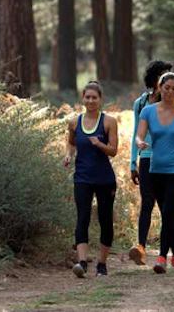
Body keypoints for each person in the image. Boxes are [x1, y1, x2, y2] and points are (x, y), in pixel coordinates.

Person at [136, 72, 174, 274]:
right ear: (159, 88)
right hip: (156, 169)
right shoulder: (148, 111)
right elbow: (139, 135)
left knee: (169, 209)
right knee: (168, 212)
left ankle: (162, 258)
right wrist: (140, 143)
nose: (170, 91)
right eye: (166, 87)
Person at [129, 61, 174, 266]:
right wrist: (132, 163)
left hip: (170, 162)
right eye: (163, 78)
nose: (167, 82)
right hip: (146, 159)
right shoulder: (142, 103)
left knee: (169, 207)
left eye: (171, 79)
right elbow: (136, 133)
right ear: (155, 80)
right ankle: (140, 248)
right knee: (147, 202)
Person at [63, 81, 118, 278]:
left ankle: (102, 264)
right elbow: (70, 143)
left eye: (95, 97)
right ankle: (82, 263)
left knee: (105, 220)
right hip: (82, 178)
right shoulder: (74, 122)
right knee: (82, 218)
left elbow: (114, 151)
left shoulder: (109, 121)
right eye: (88, 97)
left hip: (105, 179)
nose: (91, 100)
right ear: (83, 98)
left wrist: (99, 144)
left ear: (100, 99)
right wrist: (69, 155)